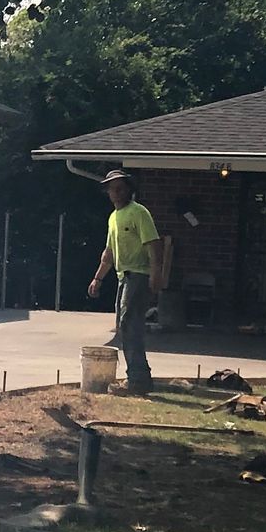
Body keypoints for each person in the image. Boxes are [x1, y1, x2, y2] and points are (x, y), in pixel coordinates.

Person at [85, 168, 163, 395]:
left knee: (131, 325)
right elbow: (109, 252)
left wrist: (156, 274)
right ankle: (138, 377)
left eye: (121, 188)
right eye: (113, 189)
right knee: (125, 327)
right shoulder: (114, 217)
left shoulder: (139, 212)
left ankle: (138, 380)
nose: (117, 193)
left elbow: (154, 244)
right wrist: (97, 278)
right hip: (123, 276)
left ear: (129, 189)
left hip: (139, 275)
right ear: (108, 192)